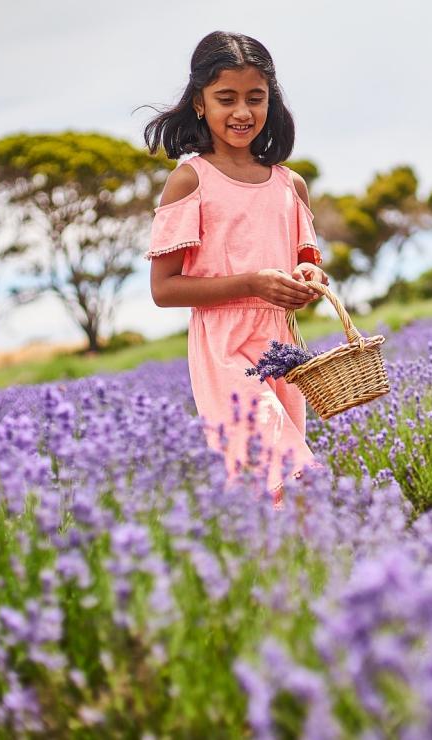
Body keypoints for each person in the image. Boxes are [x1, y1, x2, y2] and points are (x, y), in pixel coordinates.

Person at [142, 31, 329, 497]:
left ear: (271, 102)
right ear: (200, 103)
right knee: (295, 471)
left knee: (269, 486)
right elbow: (164, 289)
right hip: (223, 348)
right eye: (226, 98)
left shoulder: (291, 185)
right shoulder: (189, 181)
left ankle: (287, 567)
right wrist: (251, 283)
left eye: (255, 98)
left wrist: (309, 280)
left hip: (281, 347)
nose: (243, 112)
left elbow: (307, 266)